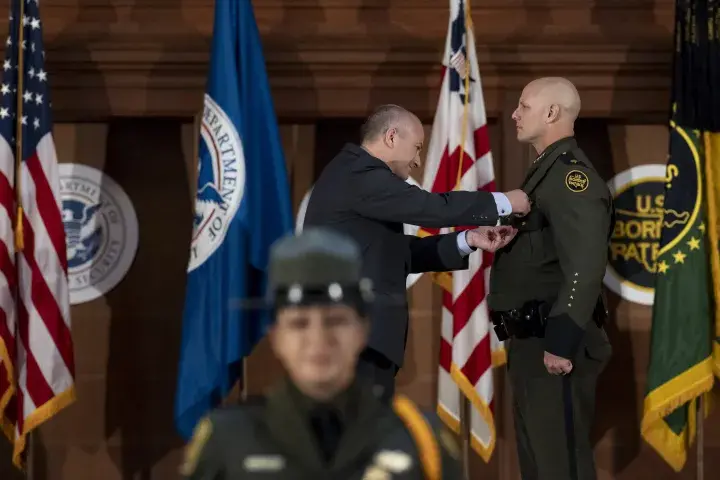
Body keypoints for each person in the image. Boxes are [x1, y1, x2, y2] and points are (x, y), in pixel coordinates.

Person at [179, 228, 465, 479]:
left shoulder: (419, 440)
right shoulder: (227, 440)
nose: (318, 340)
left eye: (335, 321)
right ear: (276, 337)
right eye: (299, 324)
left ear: (362, 330)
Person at [304, 104, 526, 402]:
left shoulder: (355, 174)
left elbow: (398, 253)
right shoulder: (360, 173)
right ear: (392, 137)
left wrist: (469, 239)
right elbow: (431, 208)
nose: (419, 160)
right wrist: (503, 202)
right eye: (417, 148)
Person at [488, 77, 614, 480]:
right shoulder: (543, 171)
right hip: (532, 342)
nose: (514, 114)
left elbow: (585, 262)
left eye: (523, 106)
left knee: (561, 466)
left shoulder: (568, 176)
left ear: (552, 113)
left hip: (556, 345)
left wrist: (561, 341)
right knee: (541, 466)